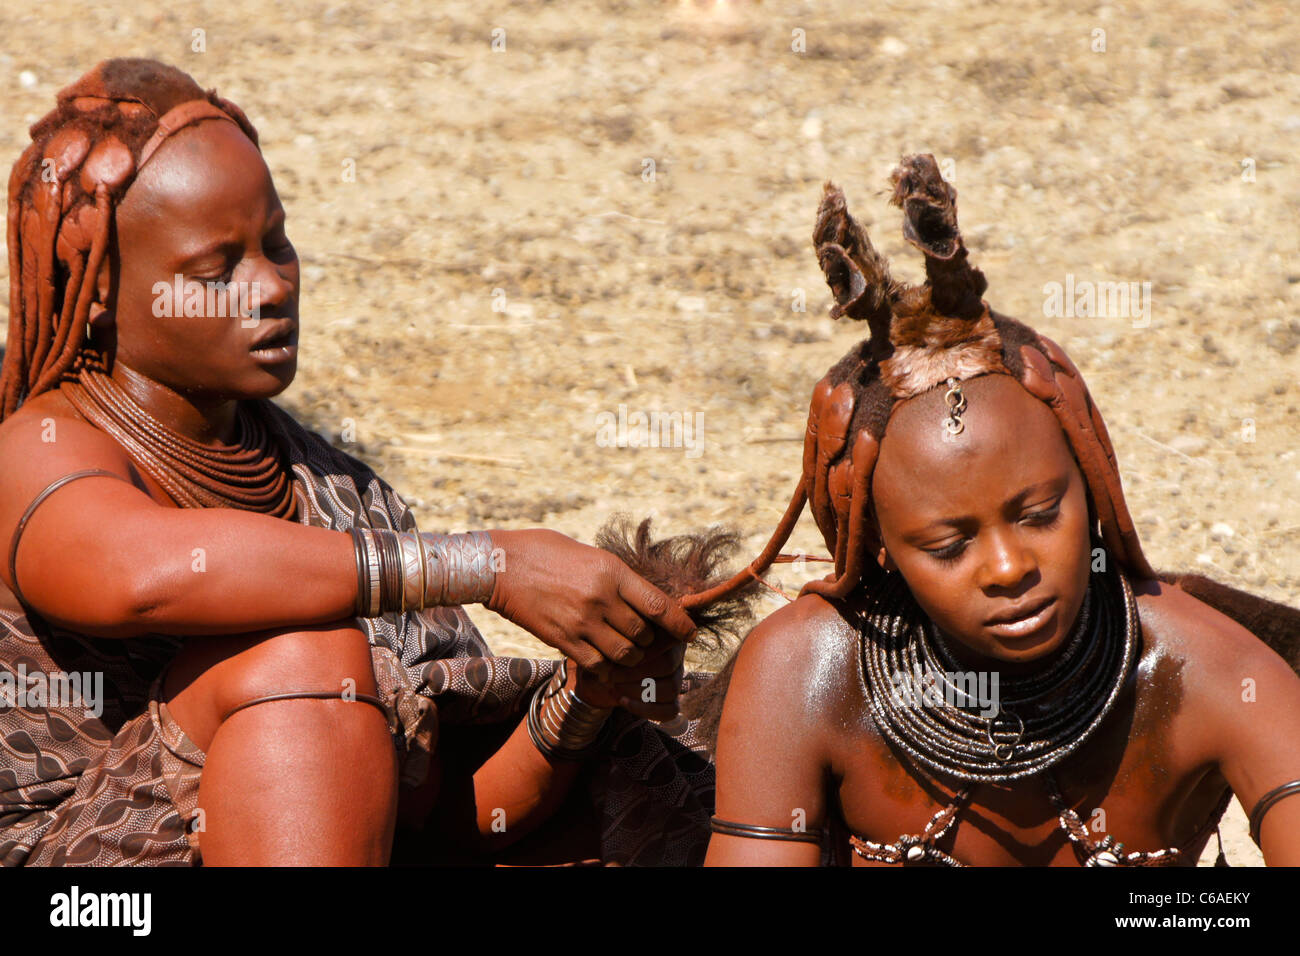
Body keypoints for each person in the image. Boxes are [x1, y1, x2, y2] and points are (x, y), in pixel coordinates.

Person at [0, 58, 722, 867]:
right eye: (215, 271)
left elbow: (453, 820)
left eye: (277, 243)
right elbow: (134, 573)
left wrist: (588, 694)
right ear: (97, 290)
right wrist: (485, 564)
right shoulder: (42, 448)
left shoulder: (337, 490)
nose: (270, 286)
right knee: (306, 658)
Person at [666, 154, 1300, 866]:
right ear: (879, 549)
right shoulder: (804, 675)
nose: (1009, 568)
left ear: (1090, 482)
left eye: (1038, 514)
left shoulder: (1203, 670)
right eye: (947, 546)